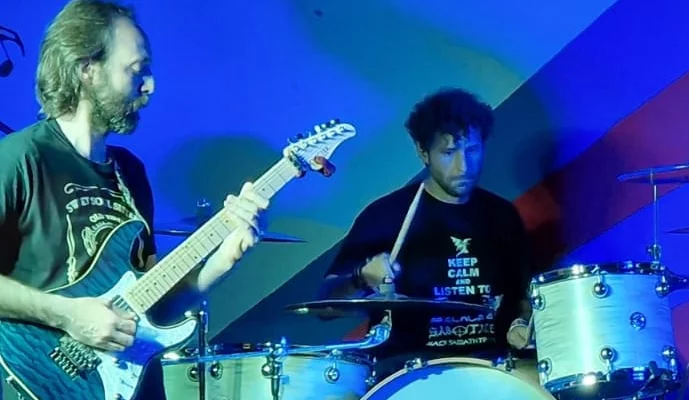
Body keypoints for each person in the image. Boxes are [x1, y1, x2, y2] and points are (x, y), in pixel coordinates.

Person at [0, 1, 268, 399]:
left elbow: (151, 307)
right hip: (37, 382)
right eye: (136, 69)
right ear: (87, 69)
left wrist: (224, 259)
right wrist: (69, 315)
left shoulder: (130, 172)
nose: (150, 85)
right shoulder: (21, 158)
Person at [317, 88, 537, 385]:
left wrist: (522, 324)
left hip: (493, 370)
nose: (463, 166)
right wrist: (360, 278)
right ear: (423, 152)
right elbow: (325, 308)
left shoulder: (502, 215)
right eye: (448, 152)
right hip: (410, 375)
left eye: (472, 149)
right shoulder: (385, 216)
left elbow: (522, 295)